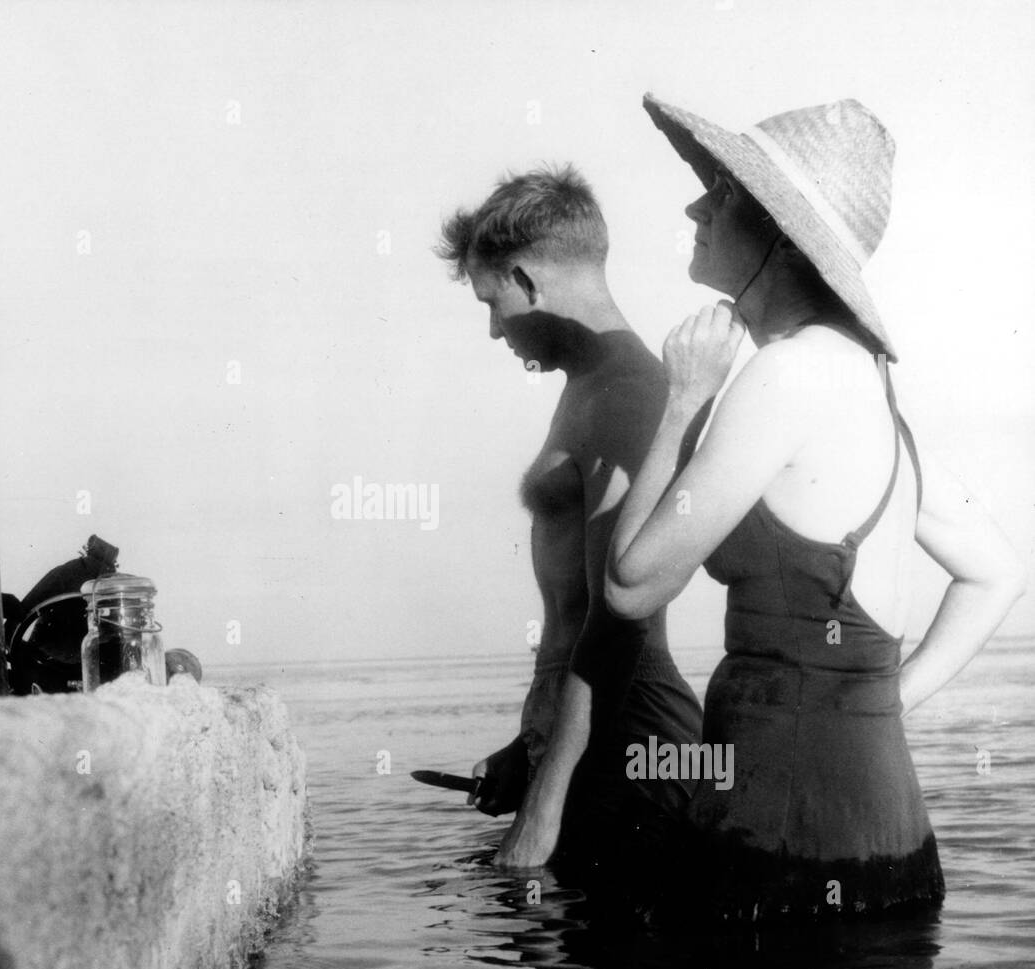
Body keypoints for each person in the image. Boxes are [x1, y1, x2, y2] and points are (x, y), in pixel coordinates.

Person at [605, 94, 1026, 921]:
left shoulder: (787, 376)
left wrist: (684, 400)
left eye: (720, 191)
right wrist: (885, 699)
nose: (696, 204)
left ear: (777, 234)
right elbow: (998, 572)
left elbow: (631, 585)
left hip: (781, 847)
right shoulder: (867, 390)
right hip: (887, 833)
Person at [436, 165, 703, 879]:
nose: (495, 330)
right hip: (590, 735)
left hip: (633, 730)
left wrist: (542, 812)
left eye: (492, 303)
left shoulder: (628, 394)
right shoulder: (587, 385)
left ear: (527, 280)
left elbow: (617, 622)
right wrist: (527, 749)